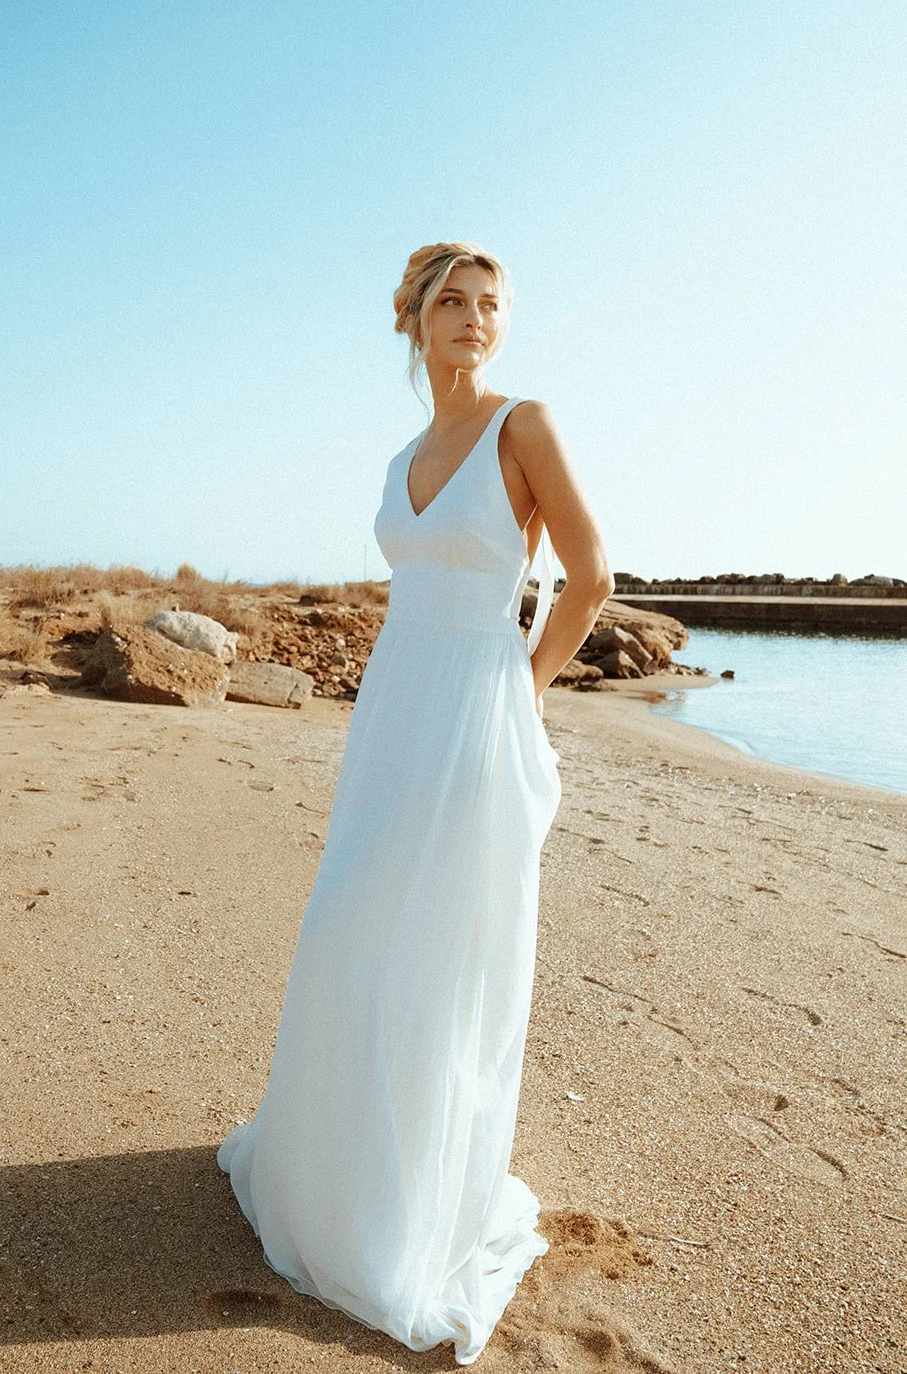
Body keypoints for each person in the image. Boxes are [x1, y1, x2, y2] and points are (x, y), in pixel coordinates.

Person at [216, 241, 615, 1364]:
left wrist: (520, 690)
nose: (473, 318)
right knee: (351, 927)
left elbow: (590, 578)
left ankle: (407, 1211)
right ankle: (333, 1175)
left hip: (476, 707)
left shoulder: (522, 425)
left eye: (489, 304)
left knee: (435, 948)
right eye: (452, 301)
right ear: (414, 319)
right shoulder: (401, 455)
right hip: (395, 704)